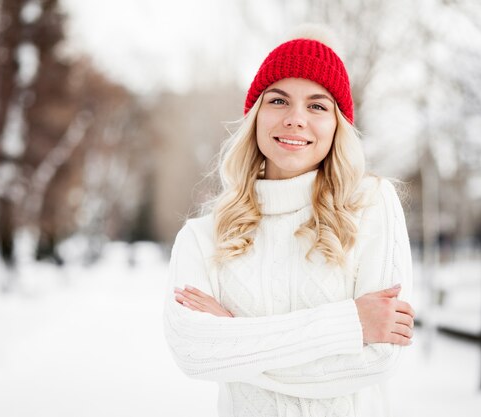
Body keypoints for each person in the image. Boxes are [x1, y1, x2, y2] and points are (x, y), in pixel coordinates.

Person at [163, 24, 415, 417]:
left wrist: (235, 340)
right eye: (279, 101)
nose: (296, 119)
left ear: (337, 126)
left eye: (317, 105)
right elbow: (195, 353)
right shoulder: (204, 235)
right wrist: (350, 325)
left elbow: (378, 357)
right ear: (255, 115)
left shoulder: (371, 206)